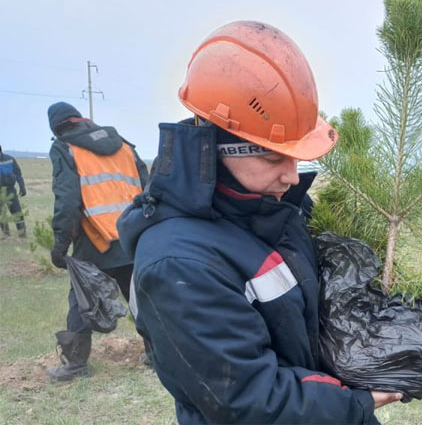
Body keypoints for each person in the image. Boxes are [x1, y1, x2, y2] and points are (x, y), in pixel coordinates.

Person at [117, 21, 401, 424]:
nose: (291, 176)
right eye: (273, 158)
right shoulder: (177, 264)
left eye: (297, 157)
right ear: (216, 147)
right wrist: (359, 401)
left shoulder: (271, 211)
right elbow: (249, 400)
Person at [46, 102, 150, 381]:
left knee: (82, 299)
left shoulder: (65, 148)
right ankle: (157, 354)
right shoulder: (124, 145)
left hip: (96, 240)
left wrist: (59, 246)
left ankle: (76, 365)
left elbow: (67, 202)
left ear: (56, 128)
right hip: (132, 235)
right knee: (142, 298)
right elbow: (147, 186)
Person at [0, 145, 27, 238]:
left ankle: (22, 234)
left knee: (16, 212)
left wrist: (22, 186)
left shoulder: (10, 159)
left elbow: (18, 173)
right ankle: (6, 234)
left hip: (10, 190)